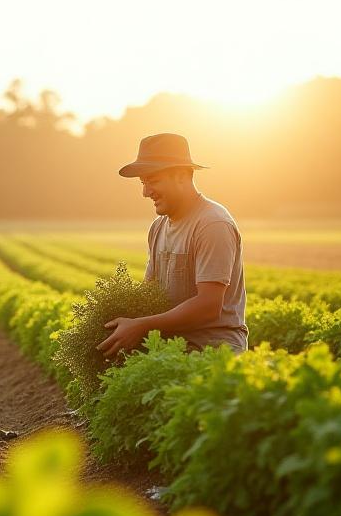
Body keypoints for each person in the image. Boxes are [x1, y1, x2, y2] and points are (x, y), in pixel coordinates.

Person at [98, 133, 248, 358]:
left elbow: (208, 306)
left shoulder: (212, 224)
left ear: (180, 175)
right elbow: (149, 295)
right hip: (171, 346)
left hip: (214, 350)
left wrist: (140, 326)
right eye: (143, 183)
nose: (145, 192)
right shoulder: (158, 227)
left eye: (153, 181)